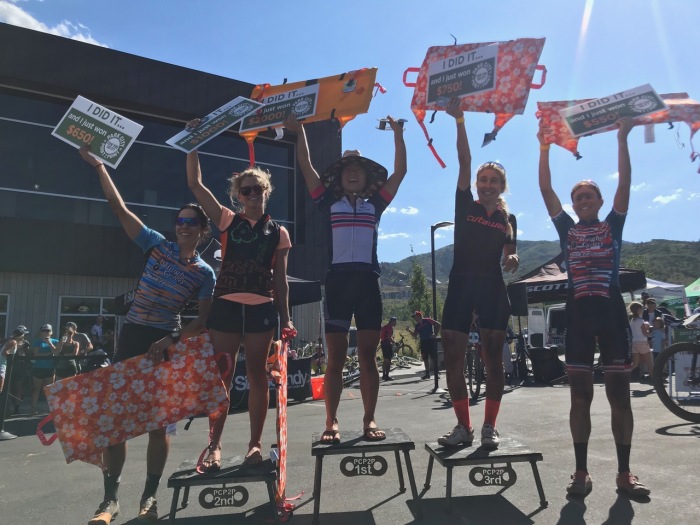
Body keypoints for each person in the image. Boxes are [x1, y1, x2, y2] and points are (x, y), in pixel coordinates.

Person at [79, 145, 216, 524]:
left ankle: (149, 498)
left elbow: (202, 321)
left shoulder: (205, 273)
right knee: (116, 425)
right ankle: (110, 500)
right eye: (180, 220)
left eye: (191, 222)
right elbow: (119, 208)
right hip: (132, 337)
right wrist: (100, 166)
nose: (183, 225)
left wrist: (173, 340)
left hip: (164, 344)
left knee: (158, 425)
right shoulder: (156, 244)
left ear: (203, 230)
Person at [538, 116, 650, 497]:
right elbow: (545, 189)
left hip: (610, 309)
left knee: (619, 395)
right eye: (578, 197)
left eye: (589, 195)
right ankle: (581, 471)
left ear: (600, 202)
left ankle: (624, 472)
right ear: (573, 205)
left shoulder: (612, 226)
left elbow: (626, 183)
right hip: (579, 314)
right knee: (579, 396)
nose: (583, 200)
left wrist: (622, 138)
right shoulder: (567, 230)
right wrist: (543, 148)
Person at [285, 113, 407, 443]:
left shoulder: (374, 206)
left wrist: (397, 133)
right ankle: (331, 421)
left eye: (358, 168)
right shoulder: (327, 203)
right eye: (347, 168)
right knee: (336, 358)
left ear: (366, 177)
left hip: (368, 283)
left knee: (368, 356)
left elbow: (400, 173)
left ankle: (369, 420)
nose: (352, 171)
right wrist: (299, 132)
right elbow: (306, 166)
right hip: (337, 283)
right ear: (340, 177)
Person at [186, 121, 294, 471]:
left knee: (260, 377)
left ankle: (255, 445)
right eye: (246, 190)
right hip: (226, 306)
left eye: (257, 189)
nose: (252, 195)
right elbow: (195, 185)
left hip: (262, 308)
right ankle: (214, 447)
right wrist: (194, 142)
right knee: (223, 375)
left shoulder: (278, 232)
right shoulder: (226, 220)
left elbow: (281, 279)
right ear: (238, 194)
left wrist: (288, 317)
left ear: (266, 192)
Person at [436, 98, 519, 451]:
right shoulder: (464, 204)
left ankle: (489, 427)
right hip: (460, 284)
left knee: (492, 356)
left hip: (491, 288)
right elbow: (465, 160)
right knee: (452, 354)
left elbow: (509, 250)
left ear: (502, 187)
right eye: (482, 180)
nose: (486, 184)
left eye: (493, 181)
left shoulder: (508, 219)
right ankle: (462, 426)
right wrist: (459, 121)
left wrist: (512, 255)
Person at [31, 324, 58, 414]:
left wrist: (49, 343)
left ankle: (52, 409)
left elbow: (56, 352)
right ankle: (33, 408)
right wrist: (47, 355)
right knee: (36, 389)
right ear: (41, 332)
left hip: (50, 368)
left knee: (50, 389)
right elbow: (36, 354)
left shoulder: (55, 341)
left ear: (51, 332)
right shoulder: (37, 342)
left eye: (48, 331)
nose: (46, 332)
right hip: (38, 368)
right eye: (44, 331)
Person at [1, 325, 30, 408]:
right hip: (6, 366)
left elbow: (27, 354)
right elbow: (5, 353)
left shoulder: (24, 343)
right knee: (5, 388)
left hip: (18, 367)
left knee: (18, 387)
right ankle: (6, 407)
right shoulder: (12, 341)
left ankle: (15, 407)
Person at [408, 311, 441, 380]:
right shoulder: (417, 326)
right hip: (423, 342)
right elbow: (415, 336)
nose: (414, 318)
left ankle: (436, 373)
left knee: (433, 358)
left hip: (430, 341)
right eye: (414, 317)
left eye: (415, 317)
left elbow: (438, 324)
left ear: (419, 316)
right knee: (425, 358)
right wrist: (409, 330)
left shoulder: (427, 320)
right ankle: (427, 374)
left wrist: (435, 334)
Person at [629, 302, 653, 381]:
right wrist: (651, 334)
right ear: (638, 310)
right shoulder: (641, 321)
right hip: (642, 342)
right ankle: (654, 378)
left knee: (635, 364)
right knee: (649, 363)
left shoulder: (632, 320)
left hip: (634, 343)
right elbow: (645, 333)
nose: (643, 310)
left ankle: (624, 374)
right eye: (642, 308)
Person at [379, 317, 398, 381]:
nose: (396, 323)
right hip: (387, 344)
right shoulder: (389, 327)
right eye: (395, 322)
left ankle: (384, 375)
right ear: (392, 321)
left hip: (383, 343)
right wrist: (394, 342)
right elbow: (388, 336)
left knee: (385, 360)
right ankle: (386, 376)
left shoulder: (386, 326)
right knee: (388, 361)